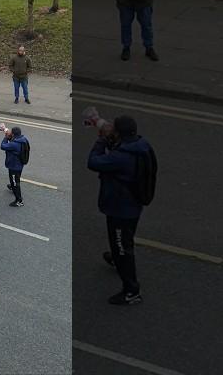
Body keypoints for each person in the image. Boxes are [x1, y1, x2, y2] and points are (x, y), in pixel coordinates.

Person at [87, 115, 155, 305]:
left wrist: (101, 139)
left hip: (120, 208)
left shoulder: (121, 157)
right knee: (124, 239)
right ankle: (118, 259)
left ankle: (131, 292)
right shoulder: (141, 145)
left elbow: (93, 162)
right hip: (133, 204)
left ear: (119, 132)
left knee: (122, 246)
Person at [0, 126, 29, 207]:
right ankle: (13, 187)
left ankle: (19, 200)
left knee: (15, 182)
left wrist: (5, 137)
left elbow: (3, 146)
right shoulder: (23, 139)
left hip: (14, 166)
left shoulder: (15, 144)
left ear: (13, 134)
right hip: (20, 164)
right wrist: (6, 131)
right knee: (16, 178)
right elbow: (12, 139)